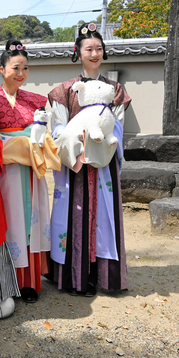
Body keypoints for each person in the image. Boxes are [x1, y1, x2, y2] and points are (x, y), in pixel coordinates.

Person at [47, 23, 131, 297]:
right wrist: (72, 137)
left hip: (104, 163)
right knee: (75, 216)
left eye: (99, 48)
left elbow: (118, 124)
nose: (94, 53)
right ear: (78, 52)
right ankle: (74, 276)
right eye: (88, 49)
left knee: (103, 217)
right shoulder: (65, 91)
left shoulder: (114, 90)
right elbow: (57, 127)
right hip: (77, 165)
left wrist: (103, 135)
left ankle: (103, 275)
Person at [0, 39, 58, 303]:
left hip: (31, 170)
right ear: (2, 69)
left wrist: (35, 139)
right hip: (5, 169)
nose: (21, 73)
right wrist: (17, 143)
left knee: (30, 218)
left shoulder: (36, 101)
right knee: (8, 219)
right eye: (15, 67)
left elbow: (45, 134)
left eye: (25, 68)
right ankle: (4, 280)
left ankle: (29, 282)